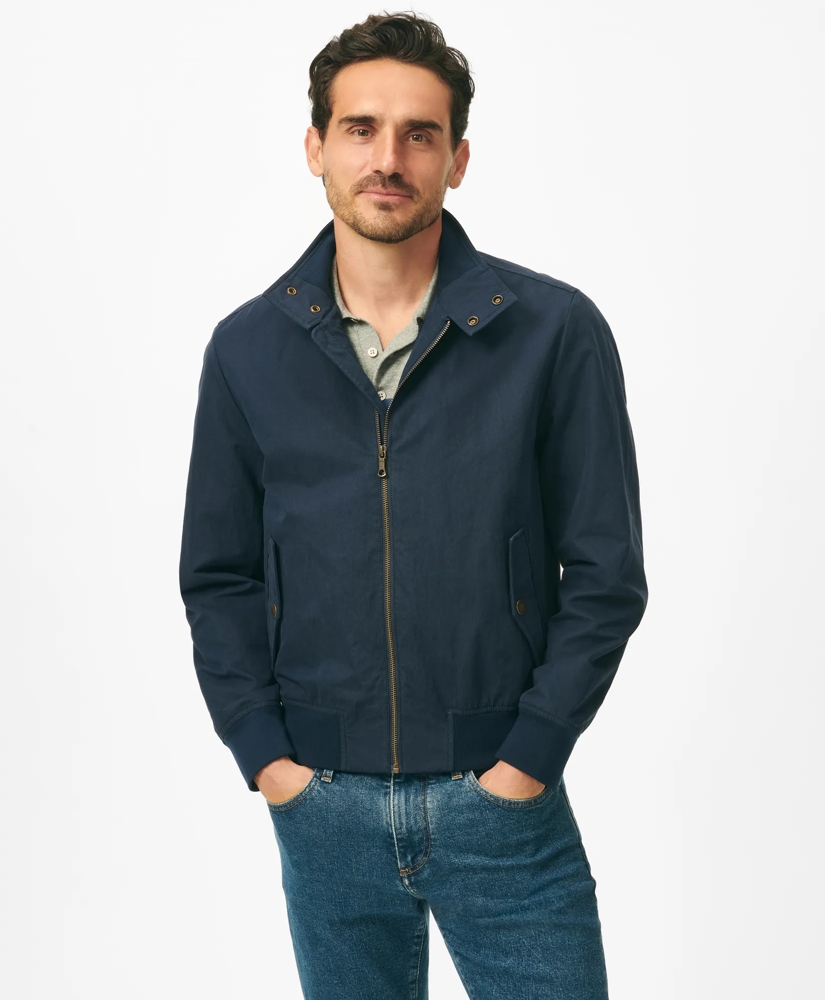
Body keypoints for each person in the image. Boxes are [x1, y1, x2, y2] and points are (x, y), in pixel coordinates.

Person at [178, 11, 648, 999]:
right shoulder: (247, 349)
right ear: (316, 146)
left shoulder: (553, 333)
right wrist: (268, 758)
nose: (387, 158)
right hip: (323, 806)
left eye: (418, 134)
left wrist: (528, 756)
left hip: (501, 805)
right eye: (360, 128)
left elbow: (606, 574)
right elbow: (218, 575)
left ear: (457, 159)